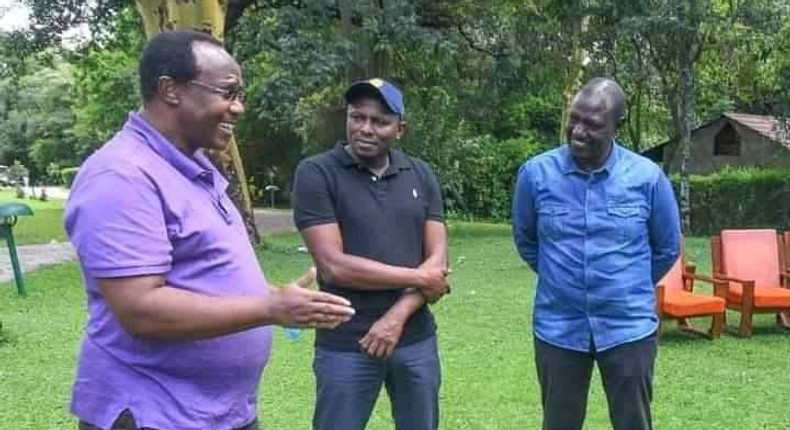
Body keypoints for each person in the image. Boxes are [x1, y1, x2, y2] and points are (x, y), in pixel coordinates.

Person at [64, 30, 355, 430]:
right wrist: (269, 308)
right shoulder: (122, 175)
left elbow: (197, 274)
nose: (237, 108)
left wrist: (272, 294)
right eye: (227, 92)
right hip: (156, 413)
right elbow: (140, 310)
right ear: (171, 90)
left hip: (216, 412)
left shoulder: (192, 168)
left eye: (240, 95)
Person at [511, 77, 681, 430]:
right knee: (559, 422)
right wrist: (562, 278)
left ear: (617, 127)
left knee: (633, 422)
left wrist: (626, 284)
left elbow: (667, 248)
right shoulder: (536, 174)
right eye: (574, 119)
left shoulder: (648, 178)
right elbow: (526, 239)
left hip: (628, 328)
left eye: (593, 124)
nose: (578, 131)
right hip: (558, 327)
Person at [292, 78, 451, 430]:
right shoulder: (317, 173)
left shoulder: (420, 174)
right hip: (346, 341)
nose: (365, 128)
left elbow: (438, 264)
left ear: (400, 129)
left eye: (379, 121)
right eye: (357, 117)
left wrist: (395, 318)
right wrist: (417, 277)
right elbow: (333, 266)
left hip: (415, 339)